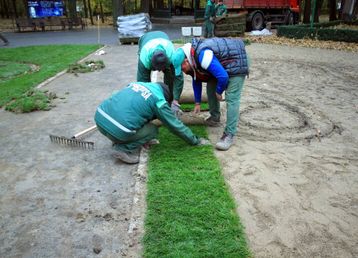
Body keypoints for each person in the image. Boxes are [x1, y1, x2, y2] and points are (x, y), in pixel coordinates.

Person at [94, 82, 210, 164]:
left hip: (99, 119)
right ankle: (122, 148)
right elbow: (174, 125)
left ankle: (117, 137)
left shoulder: (136, 84)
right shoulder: (159, 100)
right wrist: (195, 140)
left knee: (130, 122)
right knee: (152, 129)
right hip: (119, 130)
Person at [174, 38, 249, 151]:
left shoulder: (202, 56)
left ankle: (229, 134)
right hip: (223, 65)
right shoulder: (191, 56)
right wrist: (198, 102)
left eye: (182, 68)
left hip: (236, 62)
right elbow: (196, 79)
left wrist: (219, 92)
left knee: (232, 98)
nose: (183, 71)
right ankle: (215, 117)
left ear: (185, 61)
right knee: (210, 87)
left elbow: (223, 77)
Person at [137, 31, 184, 117]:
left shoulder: (172, 56)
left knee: (170, 76)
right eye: (158, 69)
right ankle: (150, 107)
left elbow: (178, 78)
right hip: (145, 39)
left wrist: (175, 100)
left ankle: (169, 102)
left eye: (162, 68)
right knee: (145, 85)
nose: (159, 71)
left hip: (163, 36)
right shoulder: (144, 59)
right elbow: (142, 84)